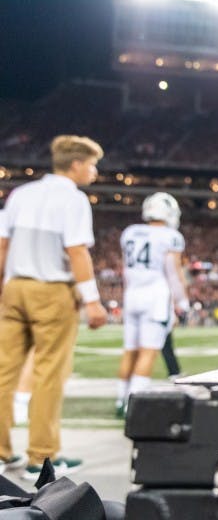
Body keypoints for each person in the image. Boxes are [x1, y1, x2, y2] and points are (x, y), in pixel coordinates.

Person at [0, 135, 108, 479]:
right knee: (49, 375)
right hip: (52, 291)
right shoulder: (73, 200)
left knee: (3, 374)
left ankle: (1, 453)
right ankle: (41, 458)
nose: (94, 171)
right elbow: (77, 252)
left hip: (15, 287)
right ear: (75, 164)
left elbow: (3, 246)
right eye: (92, 164)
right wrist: (92, 301)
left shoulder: (22, 194)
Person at [115, 193, 189, 418]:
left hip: (132, 295)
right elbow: (173, 274)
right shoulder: (171, 236)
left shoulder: (129, 233)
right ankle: (134, 404)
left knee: (130, 351)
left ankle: (121, 399)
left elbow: (127, 271)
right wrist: (182, 301)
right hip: (155, 296)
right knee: (148, 352)